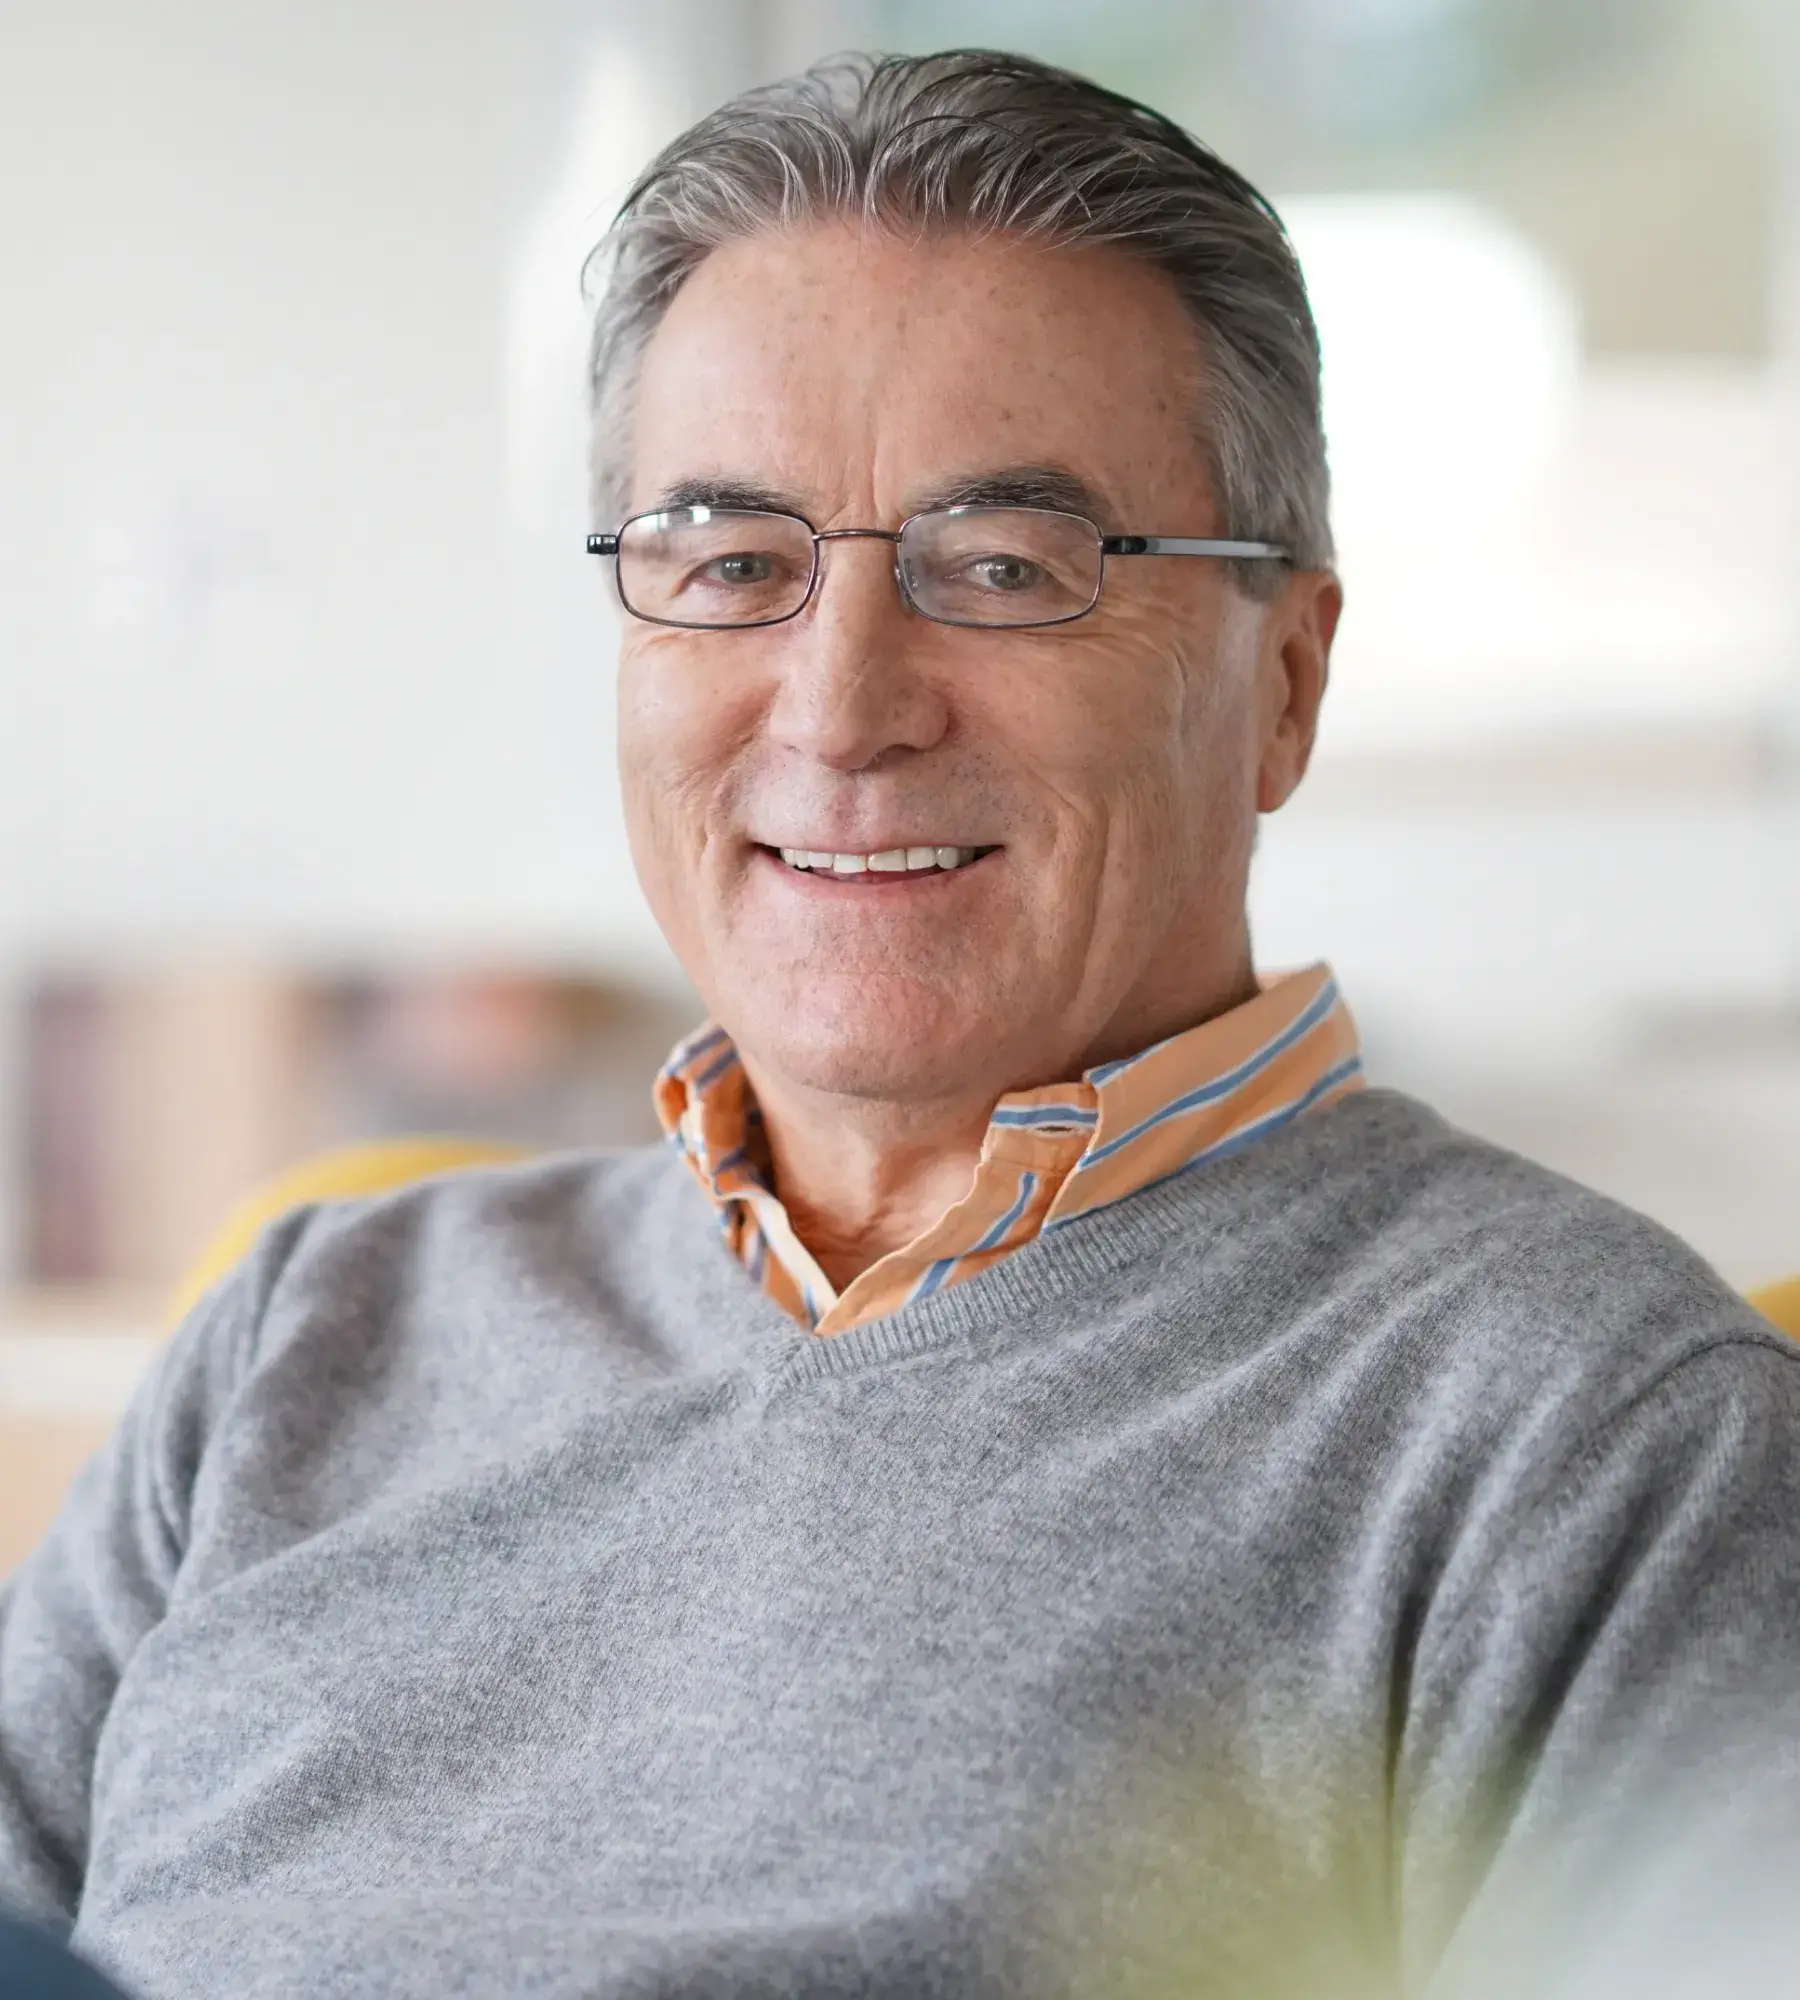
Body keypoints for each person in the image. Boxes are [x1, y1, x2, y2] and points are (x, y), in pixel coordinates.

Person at [3, 48, 1798, 2000]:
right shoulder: (310, 1331)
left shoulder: (1582, 1432)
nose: (842, 704)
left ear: (1285, 680)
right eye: (731, 562)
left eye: (1006, 570)